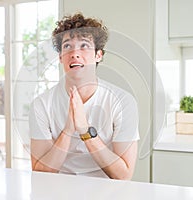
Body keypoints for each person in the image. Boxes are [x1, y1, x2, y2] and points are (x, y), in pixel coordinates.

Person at [29, 12, 139, 180]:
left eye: (84, 45)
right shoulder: (41, 105)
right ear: (60, 57)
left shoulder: (123, 102)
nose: (75, 53)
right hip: (58, 190)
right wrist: (68, 130)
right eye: (67, 46)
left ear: (98, 55)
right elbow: (40, 173)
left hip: (108, 192)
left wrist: (85, 131)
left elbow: (123, 175)